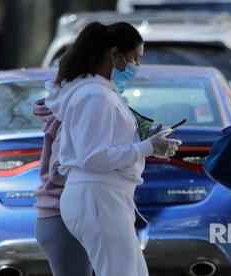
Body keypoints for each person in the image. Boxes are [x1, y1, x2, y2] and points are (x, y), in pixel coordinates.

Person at [44, 21, 181, 276]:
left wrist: (150, 143)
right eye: (134, 59)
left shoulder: (101, 92)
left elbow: (104, 147)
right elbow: (93, 158)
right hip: (97, 195)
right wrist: (148, 147)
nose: (136, 67)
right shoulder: (94, 95)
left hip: (104, 196)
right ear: (115, 54)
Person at [33, 98, 93, 276]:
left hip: (70, 215)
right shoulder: (74, 116)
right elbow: (59, 170)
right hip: (62, 217)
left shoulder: (71, 113)